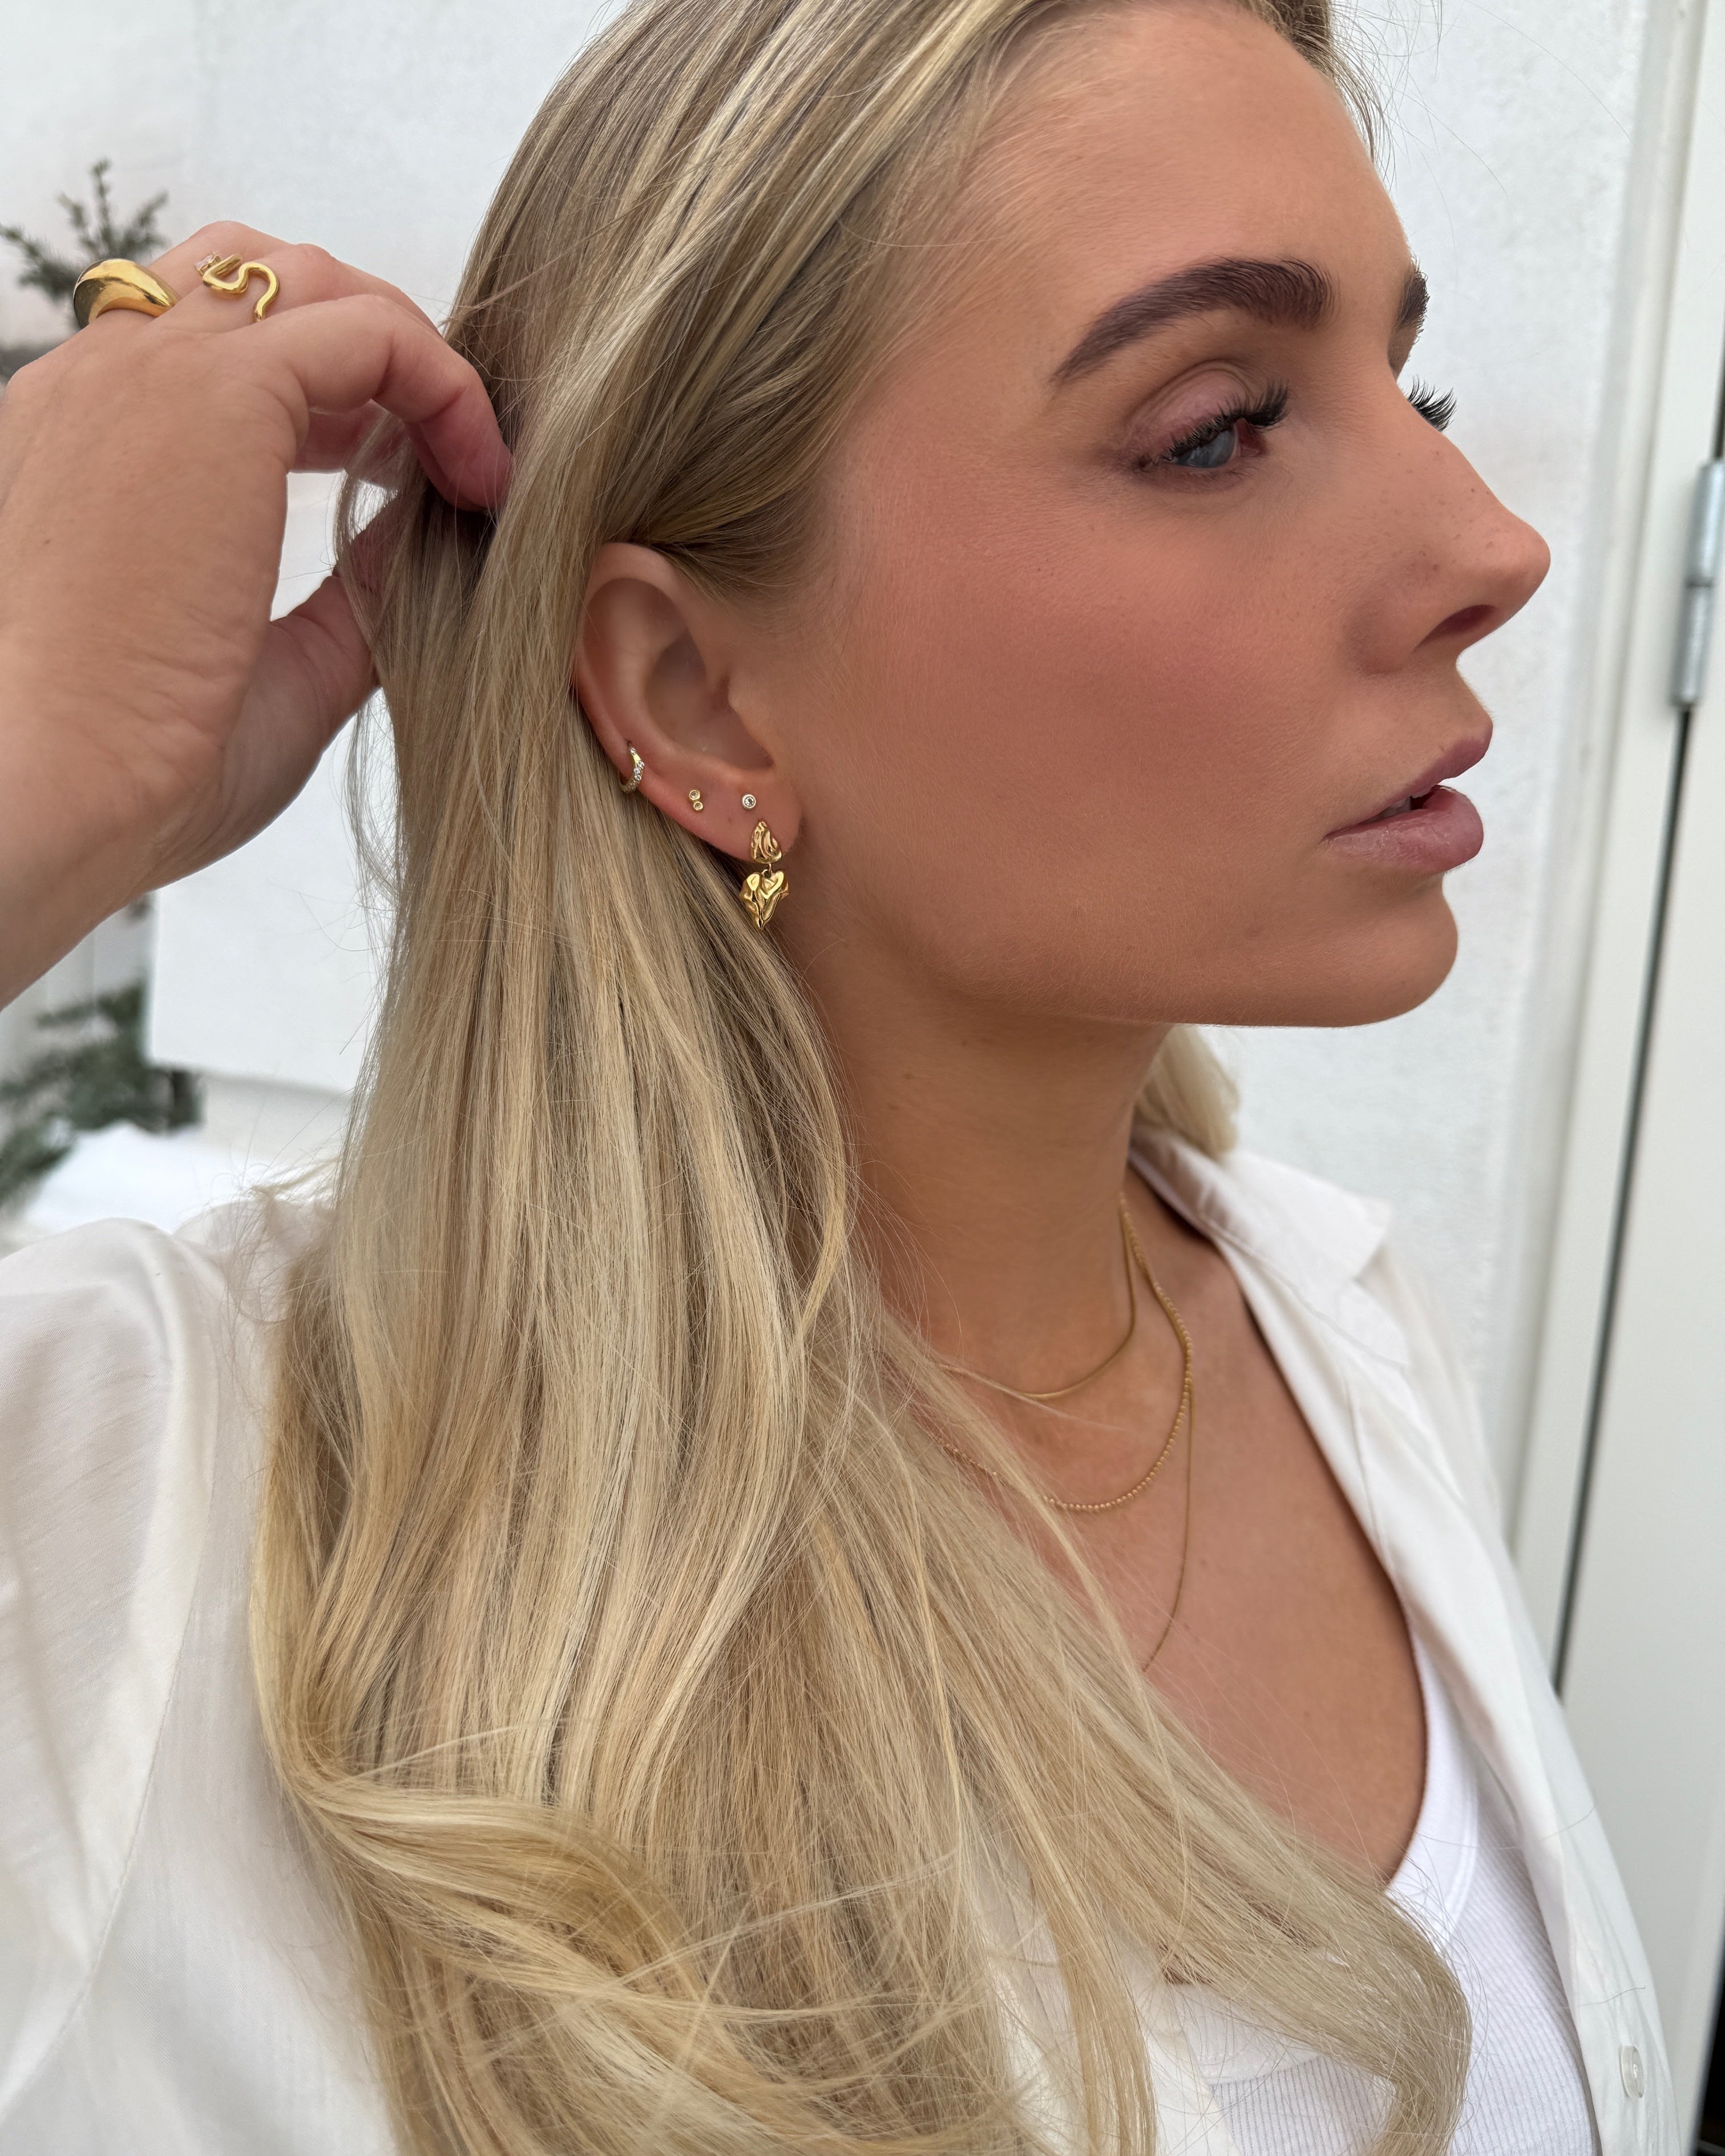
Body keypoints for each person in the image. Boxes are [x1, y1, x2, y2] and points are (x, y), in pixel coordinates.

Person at [0, 0, 1676, 2150]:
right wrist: (38, 768)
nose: (1492, 546)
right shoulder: (155, 1521)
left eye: (1408, 388)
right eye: (1218, 430)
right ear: (697, 694)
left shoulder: (1341, 1321)